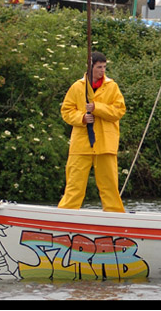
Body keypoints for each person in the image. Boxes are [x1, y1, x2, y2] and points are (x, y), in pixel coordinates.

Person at [58, 51, 127, 212]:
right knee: (74, 185)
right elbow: (66, 111)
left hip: (105, 144)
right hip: (81, 144)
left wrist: (97, 108)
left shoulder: (112, 87)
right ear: (90, 68)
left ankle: (115, 216)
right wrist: (81, 118)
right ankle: (65, 214)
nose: (102, 71)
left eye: (104, 67)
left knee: (109, 185)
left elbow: (119, 111)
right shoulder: (77, 87)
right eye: (99, 67)